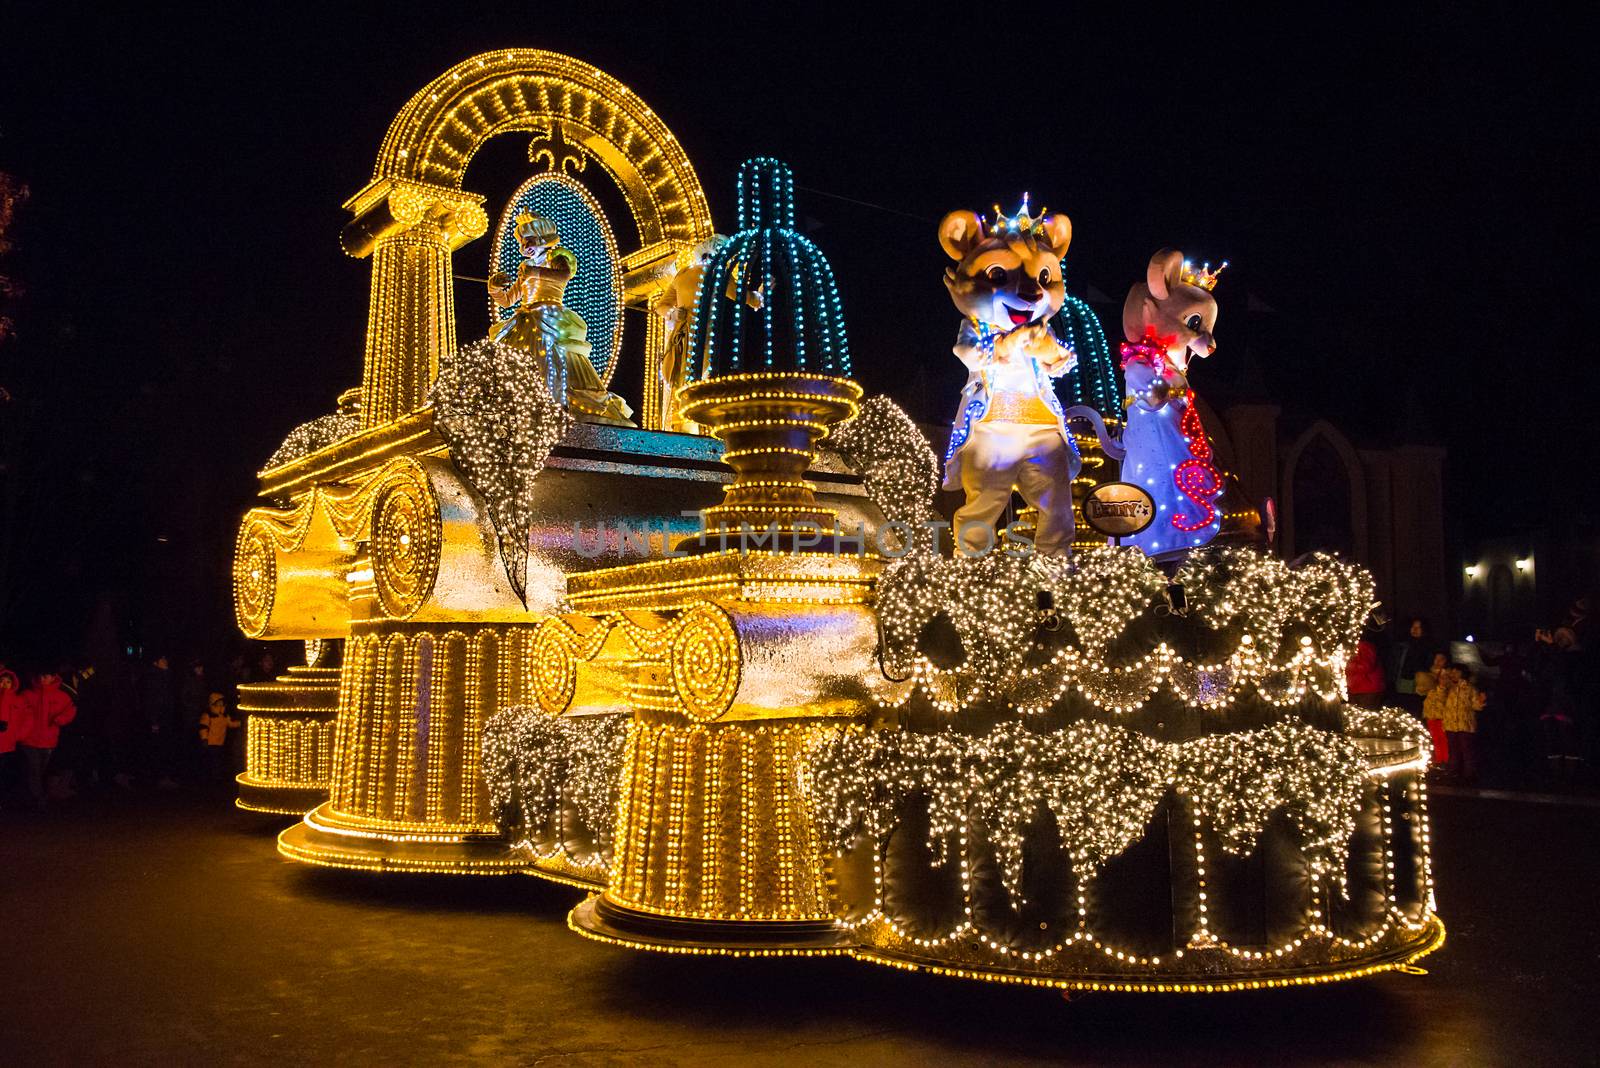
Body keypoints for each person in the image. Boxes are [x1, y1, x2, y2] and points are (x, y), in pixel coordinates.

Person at [15, 669, 77, 809]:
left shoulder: (61, 696)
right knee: (34, 769)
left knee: (40, 770)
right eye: (41, 676)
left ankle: (37, 797)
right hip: (29, 740)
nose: (43, 679)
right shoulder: (28, 695)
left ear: (53, 677)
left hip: (48, 741)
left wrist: (60, 720)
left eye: (46, 676)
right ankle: (38, 799)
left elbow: (70, 709)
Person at [1428, 662, 1486, 782]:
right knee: (1453, 749)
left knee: (1467, 750)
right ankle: (1453, 771)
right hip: (1450, 725)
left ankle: (1469, 774)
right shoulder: (1447, 688)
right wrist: (1442, 687)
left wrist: (1480, 702)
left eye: (1457, 672)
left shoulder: (1470, 688)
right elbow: (1439, 702)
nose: (1454, 675)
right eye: (1452, 672)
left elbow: (1476, 706)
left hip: (1465, 725)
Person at [140, 654, 179, 788]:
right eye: (162, 659)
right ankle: (160, 776)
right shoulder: (155, 678)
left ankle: (162, 776)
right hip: (161, 718)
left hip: (166, 717)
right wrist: (154, 720)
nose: (166, 661)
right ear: (156, 663)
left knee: (165, 746)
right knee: (160, 747)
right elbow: (153, 700)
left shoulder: (165, 677)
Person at [1392, 617, 1441, 715]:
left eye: (1418, 627)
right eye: (1413, 627)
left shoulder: (1430, 647)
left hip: (1421, 684)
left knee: (1416, 709)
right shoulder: (1403, 645)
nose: (1414, 630)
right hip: (1404, 681)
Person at [197, 691, 240, 786]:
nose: (221, 706)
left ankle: (216, 777)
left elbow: (230, 724)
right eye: (218, 704)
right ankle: (208, 778)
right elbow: (203, 728)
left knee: (218, 760)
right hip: (210, 743)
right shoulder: (207, 716)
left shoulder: (224, 716)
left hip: (219, 743)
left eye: (222, 704)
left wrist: (240, 723)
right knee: (210, 760)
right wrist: (204, 739)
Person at [1419, 651, 1449, 766]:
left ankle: (1445, 760)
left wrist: (1441, 685)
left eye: (1441, 659)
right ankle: (1438, 759)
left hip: (1443, 711)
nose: (1438, 662)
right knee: (1434, 736)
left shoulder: (1448, 675)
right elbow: (1421, 691)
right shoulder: (1428, 674)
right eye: (1436, 659)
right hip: (1430, 710)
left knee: (1443, 737)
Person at [0, 666, 21, 805]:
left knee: (5, 773)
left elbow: (25, 719)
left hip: (8, 744)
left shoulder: (18, 700)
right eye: (2, 680)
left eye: (8, 681)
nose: (5, 684)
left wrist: (17, 736)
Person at [1346, 637, 1386, 708]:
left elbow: (1366, 666)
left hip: (1368, 689)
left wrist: (1347, 665)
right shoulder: (1351, 647)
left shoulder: (1364, 646)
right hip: (1357, 689)